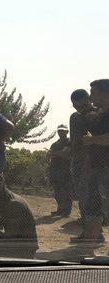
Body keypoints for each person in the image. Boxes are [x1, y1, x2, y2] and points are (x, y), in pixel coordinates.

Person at [74, 79, 109, 244]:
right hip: (98, 166)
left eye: (94, 93)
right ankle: (90, 241)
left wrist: (91, 139)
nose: (91, 97)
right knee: (93, 206)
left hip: (105, 168)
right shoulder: (101, 114)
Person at [0, 170, 38, 258]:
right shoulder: (0, 198)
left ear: (3, 182)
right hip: (16, 242)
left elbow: (11, 235)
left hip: (24, 249)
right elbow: (3, 222)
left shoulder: (13, 204)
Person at [69, 89, 97, 229]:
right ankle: (89, 227)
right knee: (83, 195)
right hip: (79, 161)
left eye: (83, 106)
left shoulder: (100, 114)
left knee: (93, 197)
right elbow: (75, 141)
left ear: (90, 100)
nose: (80, 109)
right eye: (77, 107)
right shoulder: (75, 117)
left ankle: (93, 231)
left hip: (96, 162)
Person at [48, 125, 72, 217]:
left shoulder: (69, 142)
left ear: (67, 132)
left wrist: (56, 153)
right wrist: (59, 153)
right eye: (59, 131)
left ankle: (66, 212)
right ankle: (60, 209)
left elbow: (65, 154)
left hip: (65, 170)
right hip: (54, 169)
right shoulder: (55, 143)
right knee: (57, 191)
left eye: (63, 131)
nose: (61, 132)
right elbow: (51, 154)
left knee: (66, 191)